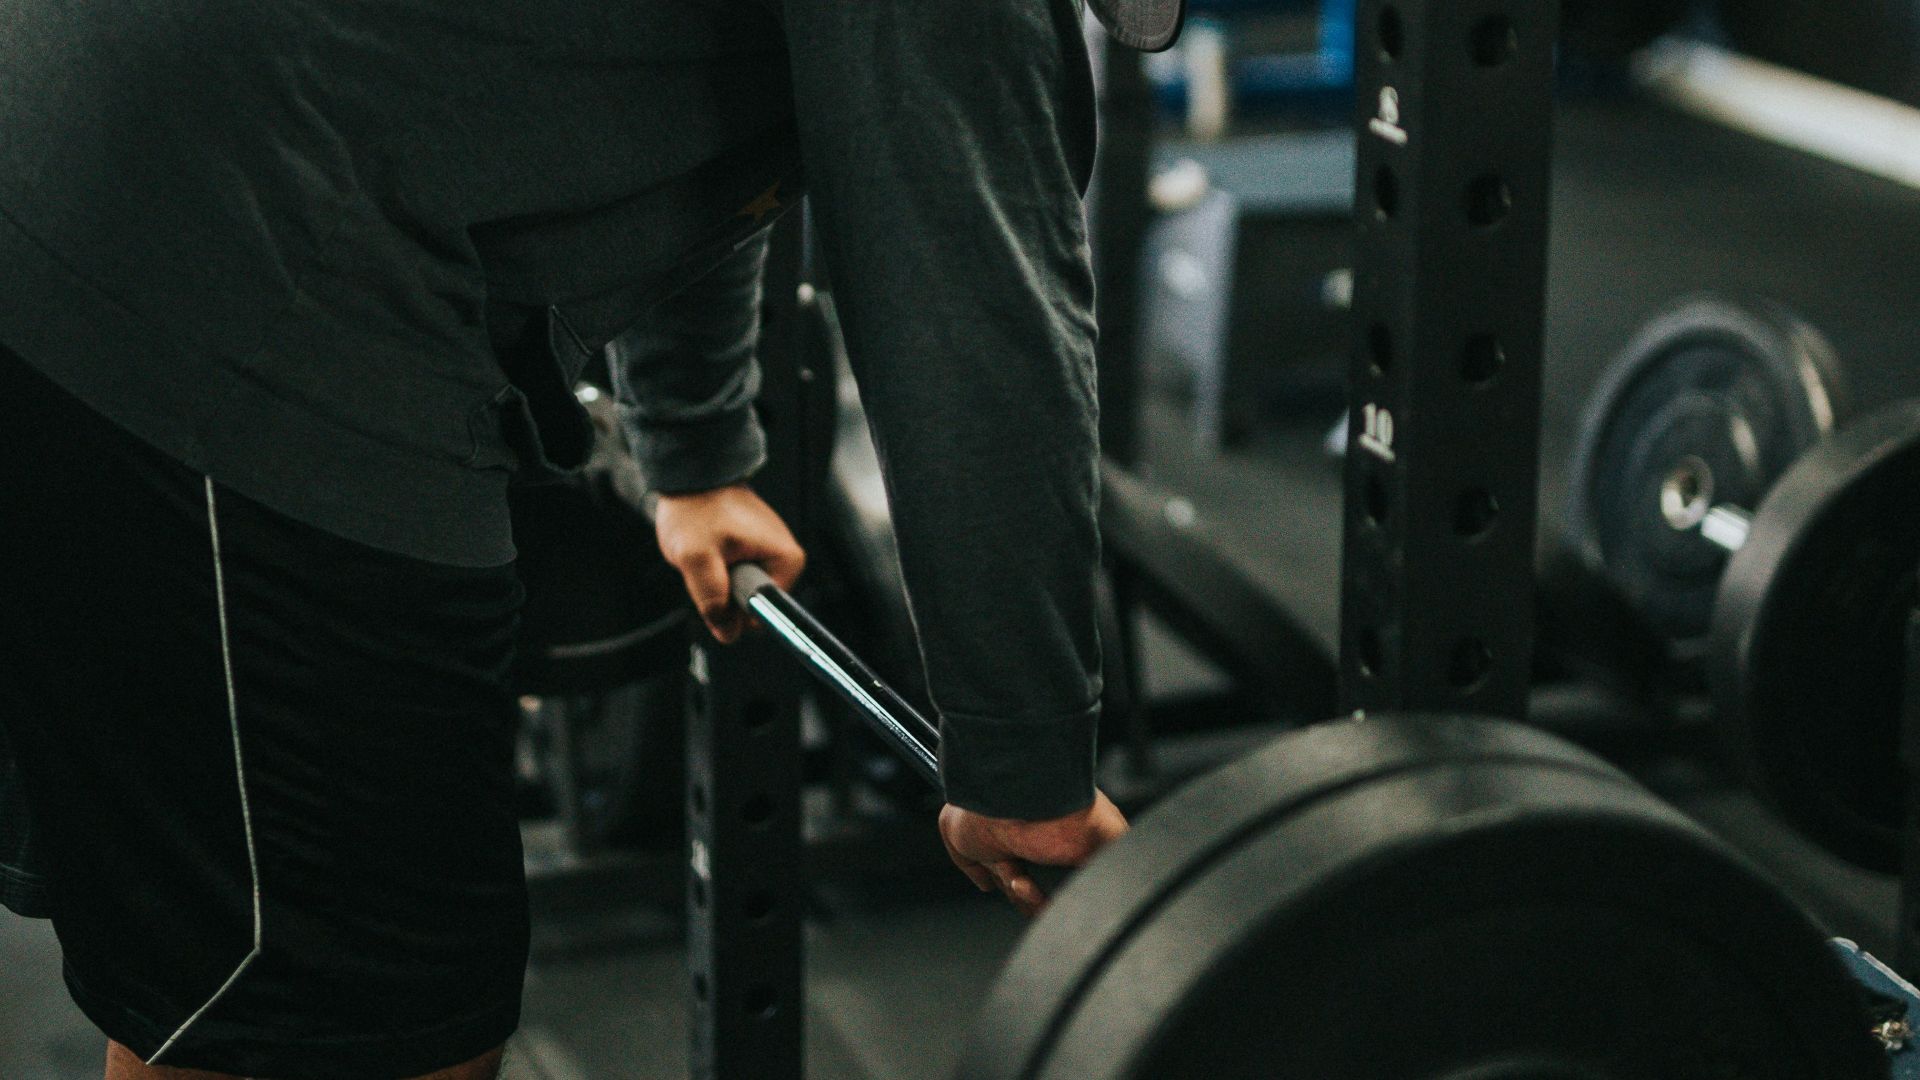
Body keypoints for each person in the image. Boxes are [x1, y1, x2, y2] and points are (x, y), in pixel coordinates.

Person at [0, 0, 1149, 1077]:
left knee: (240, 989)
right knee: (359, 1029)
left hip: (92, 152)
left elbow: (720, 102)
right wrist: (1028, 759)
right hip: (244, 255)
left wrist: (696, 456)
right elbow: (971, 292)